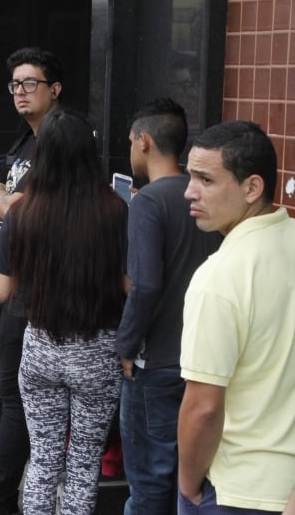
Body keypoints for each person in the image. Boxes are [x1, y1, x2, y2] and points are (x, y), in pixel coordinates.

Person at [0, 109, 127, 514]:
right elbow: (131, 286)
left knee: (44, 458)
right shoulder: (116, 210)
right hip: (98, 351)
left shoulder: (23, 212)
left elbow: (0, 291)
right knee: (84, 464)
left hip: (40, 347)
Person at [0, 46, 63, 515]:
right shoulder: (23, 140)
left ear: (54, 89)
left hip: (29, 285)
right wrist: (6, 199)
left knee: (17, 393)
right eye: (15, 85)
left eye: (30, 84)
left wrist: (5, 199)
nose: (20, 93)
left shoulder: (61, 142)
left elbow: (23, 209)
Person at [178, 120, 295, 514]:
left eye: (206, 180)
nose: (189, 191)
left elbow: (204, 407)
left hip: (236, 490)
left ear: (252, 188)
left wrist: (188, 486)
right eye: (191, 176)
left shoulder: (219, 276)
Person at [116, 98, 222, 515]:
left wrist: (125, 344)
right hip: (203, 358)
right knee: (191, 473)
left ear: (144, 141)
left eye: (129, 141)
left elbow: (144, 285)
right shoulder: (211, 198)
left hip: (155, 361)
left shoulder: (147, 202)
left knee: (147, 480)